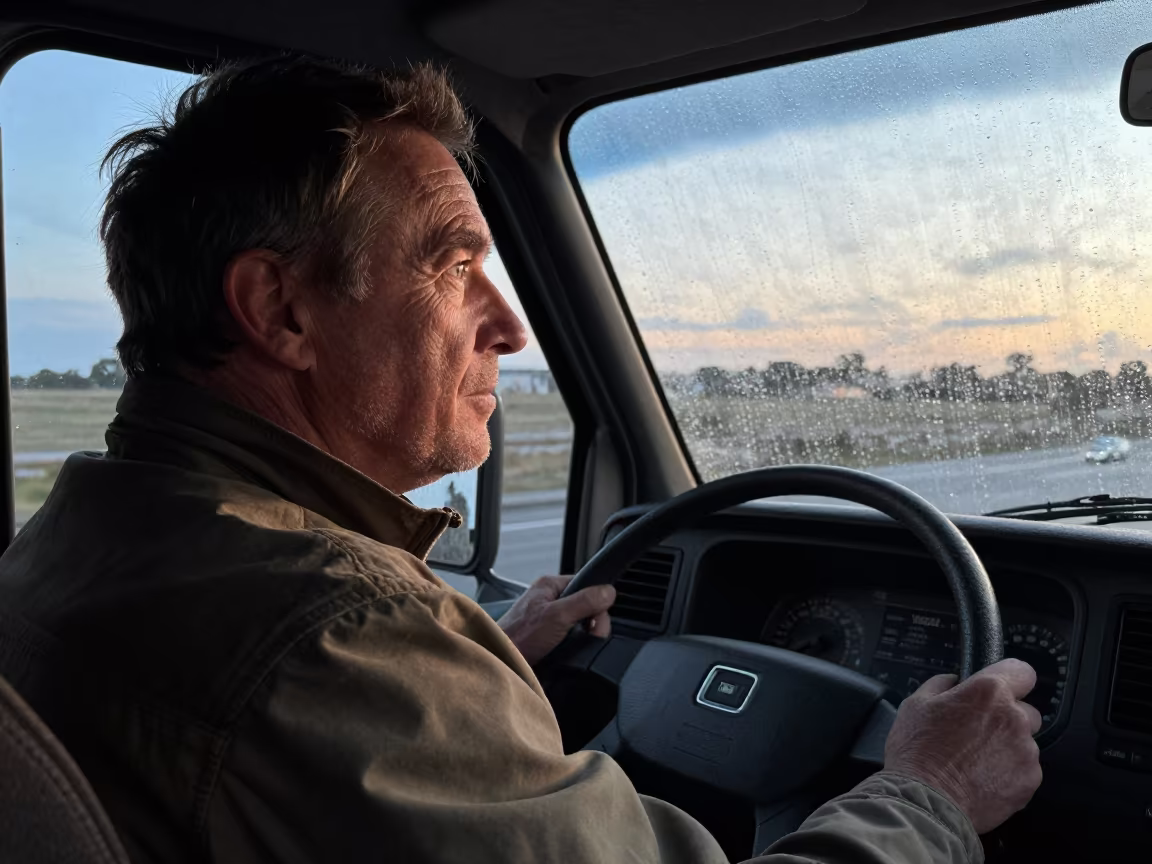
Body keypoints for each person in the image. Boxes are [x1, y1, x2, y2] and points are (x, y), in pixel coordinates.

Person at [0, 55, 1041, 864]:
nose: (509, 326)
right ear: (281, 310)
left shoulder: (86, 536)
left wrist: (484, 657)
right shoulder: (339, 641)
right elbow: (312, 665)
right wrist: (931, 795)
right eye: (455, 265)